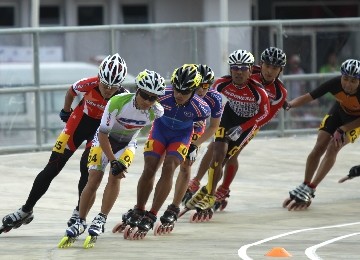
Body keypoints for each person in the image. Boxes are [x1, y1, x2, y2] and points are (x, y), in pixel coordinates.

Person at [0, 54, 128, 233]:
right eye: (105, 85)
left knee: (87, 167)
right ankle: (26, 210)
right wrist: (66, 111)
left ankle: (78, 212)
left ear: (119, 85)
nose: (108, 90)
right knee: (52, 167)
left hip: (99, 131)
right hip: (78, 122)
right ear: (99, 78)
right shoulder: (89, 83)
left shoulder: (123, 96)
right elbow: (71, 92)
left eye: (113, 87)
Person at [60, 70, 166, 246]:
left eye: (153, 98)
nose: (147, 101)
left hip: (127, 144)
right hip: (104, 140)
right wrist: (113, 160)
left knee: (115, 177)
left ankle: (101, 218)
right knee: (94, 178)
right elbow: (102, 135)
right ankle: (80, 220)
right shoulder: (117, 102)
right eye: (145, 95)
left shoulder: (157, 111)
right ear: (138, 90)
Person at [185, 47, 287, 211]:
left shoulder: (279, 92)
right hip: (230, 114)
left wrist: (243, 127)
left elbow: (266, 116)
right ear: (260, 65)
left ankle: (222, 189)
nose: (269, 71)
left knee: (231, 156)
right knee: (214, 148)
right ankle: (196, 181)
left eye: (275, 68)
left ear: (281, 70)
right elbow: (209, 95)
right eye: (267, 66)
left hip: (251, 123)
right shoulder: (246, 70)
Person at [123, 64, 211, 238]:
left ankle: (152, 213)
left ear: (194, 90)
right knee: (149, 168)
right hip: (160, 131)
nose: (179, 95)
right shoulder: (162, 95)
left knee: (170, 166)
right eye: (177, 89)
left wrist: (195, 145)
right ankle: (139, 209)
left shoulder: (201, 108)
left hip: (181, 136)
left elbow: (203, 128)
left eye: (184, 92)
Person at [282, 59, 360, 211]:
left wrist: (343, 129)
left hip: (355, 121)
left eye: (353, 81)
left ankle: (311, 188)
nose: (348, 84)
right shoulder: (335, 83)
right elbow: (310, 96)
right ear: (341, 76)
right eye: (345, 79)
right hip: (338, 112)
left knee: (333, 147)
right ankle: (304, 184)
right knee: (319, 146)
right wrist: (290, 104)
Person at [157, 64, 222, 227]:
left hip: (196, 128)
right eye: (199, 86)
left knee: (186, 165)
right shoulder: (183, 91)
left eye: (206, 87)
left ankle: (175, 205)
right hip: (177, 123)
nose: (201, 90)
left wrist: (195, 144)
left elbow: (213, 126)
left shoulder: (214, 99)